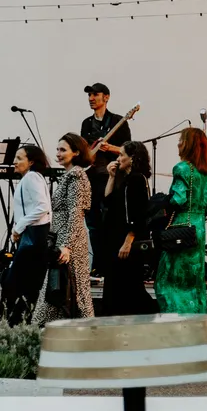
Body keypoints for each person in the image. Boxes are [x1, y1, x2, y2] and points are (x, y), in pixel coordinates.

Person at [34, 134, 95, 325]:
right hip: (63, 240)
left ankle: (82, 330)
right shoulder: (70, 175)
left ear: (76, 152)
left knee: (75, 291)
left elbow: (76, 213)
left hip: (70, 243)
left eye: (63, 150)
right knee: (62, 289)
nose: (58, 154)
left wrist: (67, 245)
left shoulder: (76, 176)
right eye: (57, 149)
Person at [154, 128, 207, 314]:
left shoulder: (182, 168)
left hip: (182, 226)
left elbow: (178, 199)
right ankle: (196, 318)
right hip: (199, 229)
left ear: (189, 145)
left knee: (168, 279)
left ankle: (176, 318)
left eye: (181, 140)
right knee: (194, 281)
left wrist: (162, 200)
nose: (178, 144)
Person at [100, 141, 155, 314]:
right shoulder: (125, 179)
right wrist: (111, 177)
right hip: (116, 237)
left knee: (128, 285)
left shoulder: (137, 179)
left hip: (126, 239)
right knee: (116, 284)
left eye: (121, 155)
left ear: (132, 158)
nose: (118, 159)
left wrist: (129, 240)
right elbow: (108, 201)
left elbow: (139, 213)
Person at [3, 145, 53, 320]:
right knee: (23, 283)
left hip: (33, 236)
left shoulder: (31, 177)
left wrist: (18, 227)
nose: (15, 162)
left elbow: (43, 207)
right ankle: (22, 320)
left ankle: (17, 321)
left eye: (19, 158)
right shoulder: (33, 177)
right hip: (33, 235)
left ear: (31, 162)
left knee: (14, 283)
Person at [78, 84, 128, 235]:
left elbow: (128, 151)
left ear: (106, 97)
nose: (91, 98)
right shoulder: (86, 123)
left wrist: (110, 148)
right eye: (89, 95)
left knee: (111, 218)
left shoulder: (118, 121)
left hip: (111, 177)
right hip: (91, 178)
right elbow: (84, 151)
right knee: (93, 222)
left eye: (95, 94)